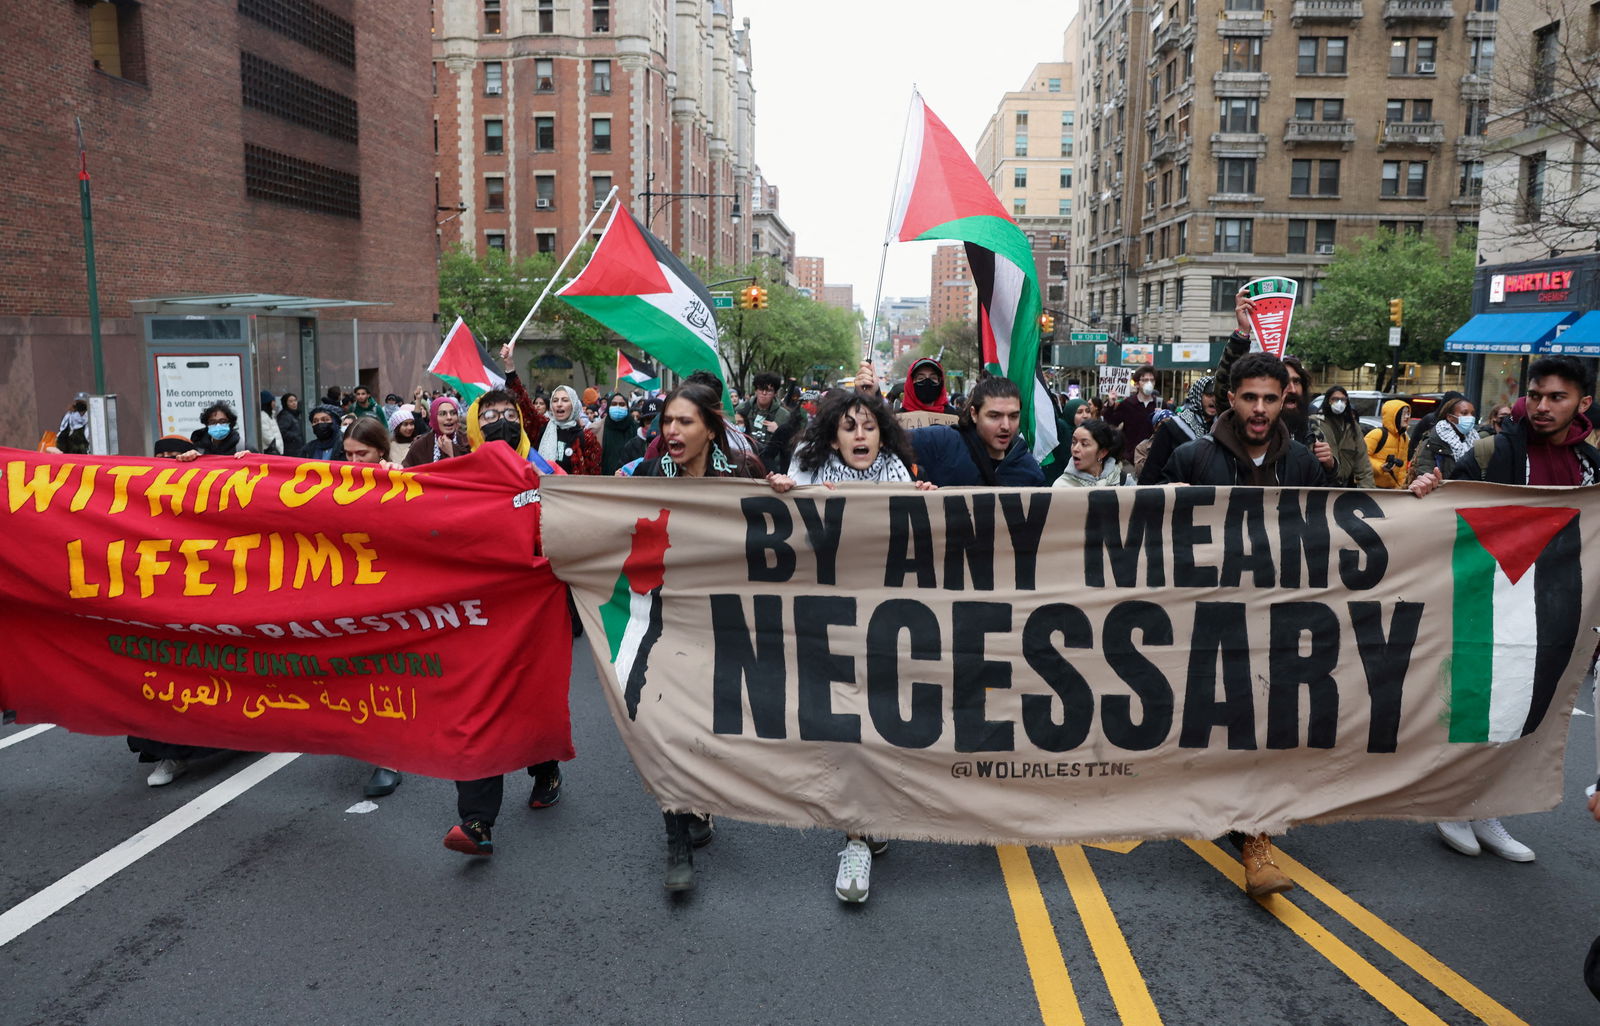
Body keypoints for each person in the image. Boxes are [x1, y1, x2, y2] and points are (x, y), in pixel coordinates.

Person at [1158, 352, 1332, 898]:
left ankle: (1254, 839)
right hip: (1201, 620)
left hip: (1275, 623)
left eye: (1270, 399)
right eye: (1249, 397)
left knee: (1260, 729)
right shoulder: (1189, 458)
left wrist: (1420, 498)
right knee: (1210, 726)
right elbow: (1140, 527)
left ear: (1286, 401)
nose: (1259, 409)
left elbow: (1332, 532)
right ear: (1230, 398)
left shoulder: (1304, 465)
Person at [1422, 358, 1597, 863]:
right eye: (1536, 395)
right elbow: (1447, 505)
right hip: (1488, 595)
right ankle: (1454, 802)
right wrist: (1429, 491)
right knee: (1477, 703)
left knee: (1526, 708)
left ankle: (1488, 809)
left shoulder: (1592, 466)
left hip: (1555, 603)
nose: (1542, 407)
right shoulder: (1493, 451)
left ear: (1582, 404)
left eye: (1556, 398)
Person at [767, 388, 934, 903]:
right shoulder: (808, 468)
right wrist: (780, 491)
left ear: (882, 433)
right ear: (832, 434)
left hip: (884, 621)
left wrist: (928, 502)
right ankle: (856, 837)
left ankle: (870, 815)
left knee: (881, 722)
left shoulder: (895, 471)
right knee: (845, 727)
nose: (860, 435)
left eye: (868, 426)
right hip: (828, 622)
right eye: (849, 427)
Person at [632, 382, 764, 889]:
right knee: (667, 723)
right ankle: (677, 845)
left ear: (710, 429)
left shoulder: (743, 473)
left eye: (685, 422)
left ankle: (701, 800)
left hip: (726, 619)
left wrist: (779, 491)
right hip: (667, 620)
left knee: (708, 721)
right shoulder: (649, 474)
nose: (672, 431)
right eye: (667, 422)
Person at [441, 387, 567, 856]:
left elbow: (577, 524)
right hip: (473, 613)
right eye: (488, 415)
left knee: (528, 696)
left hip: (534, 610)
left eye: (508, 414)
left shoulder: (548, 472)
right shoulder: (456, 474)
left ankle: (545, 765)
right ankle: (476, 823)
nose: (499, 422)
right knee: (475, 710)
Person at [128, 434, 234, 785]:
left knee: (200, 678)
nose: (170, 460)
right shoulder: (139, 492)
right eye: (163, 455)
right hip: (154, 602)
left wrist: (207, 464)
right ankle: (167, 754)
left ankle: (204, 745)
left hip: (201, 601)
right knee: (155, 681)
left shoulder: (201, 485)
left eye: (176, 454)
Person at [335, 418, 409, 798]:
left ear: (381, 451)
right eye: (347, 454)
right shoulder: (331, 483)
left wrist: (399, 482)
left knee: (387, 672)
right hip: (347, 593)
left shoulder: (401, 481)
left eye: (361, 454)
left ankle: (390, 756)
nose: (353, 462)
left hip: (391, 593)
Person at [909, 376, 1046, 487]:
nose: (1006, 426)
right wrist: (914, 482)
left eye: (1013, 416)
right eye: (994, 416)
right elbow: (891, 442)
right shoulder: (942, 442)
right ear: (974, 414)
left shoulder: (1029, 471)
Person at [1136, 375, 1218, 485]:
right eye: (1209, 395)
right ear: (1198, 396)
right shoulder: (1172, 427)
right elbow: (1151, 473)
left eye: (1217, 395)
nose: (1214, 399)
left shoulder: (1222, 430)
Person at [1313, 386, 1376, 488]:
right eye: (1335, 399)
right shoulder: (1316, 423)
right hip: (1321, 484)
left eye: (1342, 400)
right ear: (1328, 401)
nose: (1339, 403)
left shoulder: (1353, 427)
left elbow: (1363, 464)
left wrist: (1368, 493)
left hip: (1344, 486)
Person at [1405, 394, 1476, 485]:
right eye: (1464, 413)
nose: (1470, 417)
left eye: (1472, 414)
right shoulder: (1433, 441)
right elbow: (1424, 470)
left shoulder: (1477, 441)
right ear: (1450, 417)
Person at [1054, 419, 1134, 487]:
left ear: (1102, 452)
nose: (1075, 449)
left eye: (1084, 444)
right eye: (1074, 442)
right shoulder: (1061, 486)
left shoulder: (1122, 481)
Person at [1102, 366, 1161, 451]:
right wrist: (1110, 405)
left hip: (1153, 453)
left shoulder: (1160, 404)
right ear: (1137, 384)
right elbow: (1112, 422)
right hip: (1131, 455)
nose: (1149, 383)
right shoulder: (1127, 404)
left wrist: (1163, 418)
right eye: (1145, 380)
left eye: (1152, 380)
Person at [403, 395, 470, 467]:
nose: (449, 417)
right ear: (434, 418)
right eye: (442, 414)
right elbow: (405, 471)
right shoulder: (421, 445)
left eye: (453, 413)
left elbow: (473, 472)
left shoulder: (467, 441)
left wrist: (452, 452)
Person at [737, 372, 792, 451]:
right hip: (746, 457)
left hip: (773, 460)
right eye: (761, 389)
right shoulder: (742, 409)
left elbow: (791, 443)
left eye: (769, 390)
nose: (764, 393)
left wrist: (778, 431)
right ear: (756, 390)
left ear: (775, 393)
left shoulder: (784, 415)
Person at [1365, 399, 1412, 489]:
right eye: (1403, 413)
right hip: (1371, 487)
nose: (1407, 417)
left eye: (1408, 413)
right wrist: (1380, 467)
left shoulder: (1404, 438)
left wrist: (1401, 487)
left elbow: (1402, 469)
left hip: (1390, 490)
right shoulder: (1377, 433)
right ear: (1394, 416)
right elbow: (1361, 458)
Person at [898, 358, 960, 422]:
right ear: (910, 383)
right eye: (920, 378)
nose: (927, 381)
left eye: (933, 378)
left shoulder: (954, 416)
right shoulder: (897, 420)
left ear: (940, 382)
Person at [596, 391, 637, 475]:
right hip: (603, 482)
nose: (618, 407)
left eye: (622, 404)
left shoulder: (635, 428)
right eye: (614, 404)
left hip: (631, 482)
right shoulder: (596, 429)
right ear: (608, 407)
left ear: (627, 407)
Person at [258, 391, 283, 455]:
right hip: (272, 451)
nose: (274, 403)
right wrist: (278, 448)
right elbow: (268, 437)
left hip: (276, 450)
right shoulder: (263, 416)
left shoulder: (270, 415)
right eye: (273, 401)